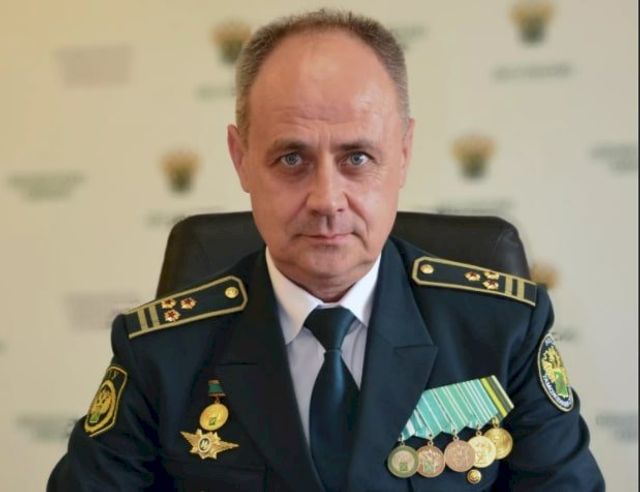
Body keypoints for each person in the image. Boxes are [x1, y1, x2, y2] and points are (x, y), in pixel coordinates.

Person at [48, 9, 604, 491]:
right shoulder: (161, 353)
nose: (326, 199)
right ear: (241, 159)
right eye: (291, 158)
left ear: (403, 154)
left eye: (357, 158)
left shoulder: (502, 331)